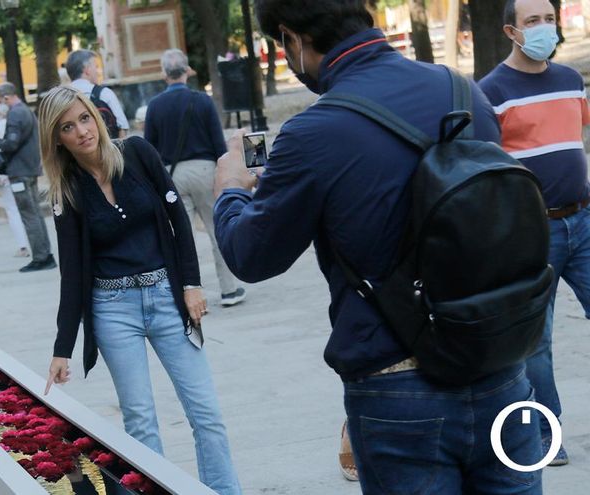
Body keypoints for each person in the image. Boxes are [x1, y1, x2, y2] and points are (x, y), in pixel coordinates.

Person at [213, 1, 541, 493]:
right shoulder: (461, 89)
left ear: (291, 39)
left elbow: (252, 257)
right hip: (501, 363)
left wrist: (231, 191)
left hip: (398, 386)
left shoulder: (313, 133)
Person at [40, 86, 241, 495]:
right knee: (140, 420)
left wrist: (191, 284)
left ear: (95, 116)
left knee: (206, 413)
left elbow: (178, 223)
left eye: (83, 118)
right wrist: (63, 347)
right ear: (56, 138)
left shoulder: (137, 153)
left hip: (168, 298)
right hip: (113, 309)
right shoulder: (68, 191)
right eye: (67, 127)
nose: (81, 131)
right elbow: (72, 274)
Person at [479, 0, 590, 467]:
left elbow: (576, 141)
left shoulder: (571, 80)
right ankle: (546, 436)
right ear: (511, 31)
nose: (545, 28)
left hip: (584, 221)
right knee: (535, 344)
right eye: (533, 22)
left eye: (549, 19)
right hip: (533, 232)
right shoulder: (489, 91)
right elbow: (484, 167)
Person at [145, 49, 247, 307]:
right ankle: (229, 289)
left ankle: (187, 293)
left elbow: (149, 147)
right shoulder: (202, 101)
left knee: (180, 235)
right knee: (217, 230)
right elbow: (217, 143)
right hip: (204, 170)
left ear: (163, 73)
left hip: (172, 174)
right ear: (187, 70)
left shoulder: (155, 106)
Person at [0, 83, 56, 273]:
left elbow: (11, 143)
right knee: (35, 213)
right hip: (29, 169)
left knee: (28, 214)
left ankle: (41, 257)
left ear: (6, 98)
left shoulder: (15, 113)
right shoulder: (27, 111)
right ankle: (45, 254)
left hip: (19, 172)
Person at [0, 100, 29, 257]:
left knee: (13, 209)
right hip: (23, 168)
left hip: (4, 171)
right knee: (28, 209)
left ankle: (23, 246)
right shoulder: (19, 122)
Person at [65, 50, 129, 138]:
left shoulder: (62, 97)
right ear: (87, 70)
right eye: (96, 66)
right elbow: (122, 127)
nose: (98, 72)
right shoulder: (104, 93)